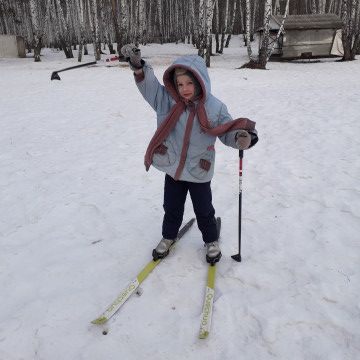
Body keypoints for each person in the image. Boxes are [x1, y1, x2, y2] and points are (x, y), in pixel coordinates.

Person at [121, 44, 258, 264]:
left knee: (204, 210)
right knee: (171, 207)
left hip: (198, 170)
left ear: (200, 81)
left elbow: (227, 131)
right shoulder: (167, 100)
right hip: (173, 167)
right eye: (180, 84)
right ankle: (168, 236)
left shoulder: (214, 108)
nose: (184, 88)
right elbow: (150, 88)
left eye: (189, 83)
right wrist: (138, 67)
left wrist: (241, 138)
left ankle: (211, 240)